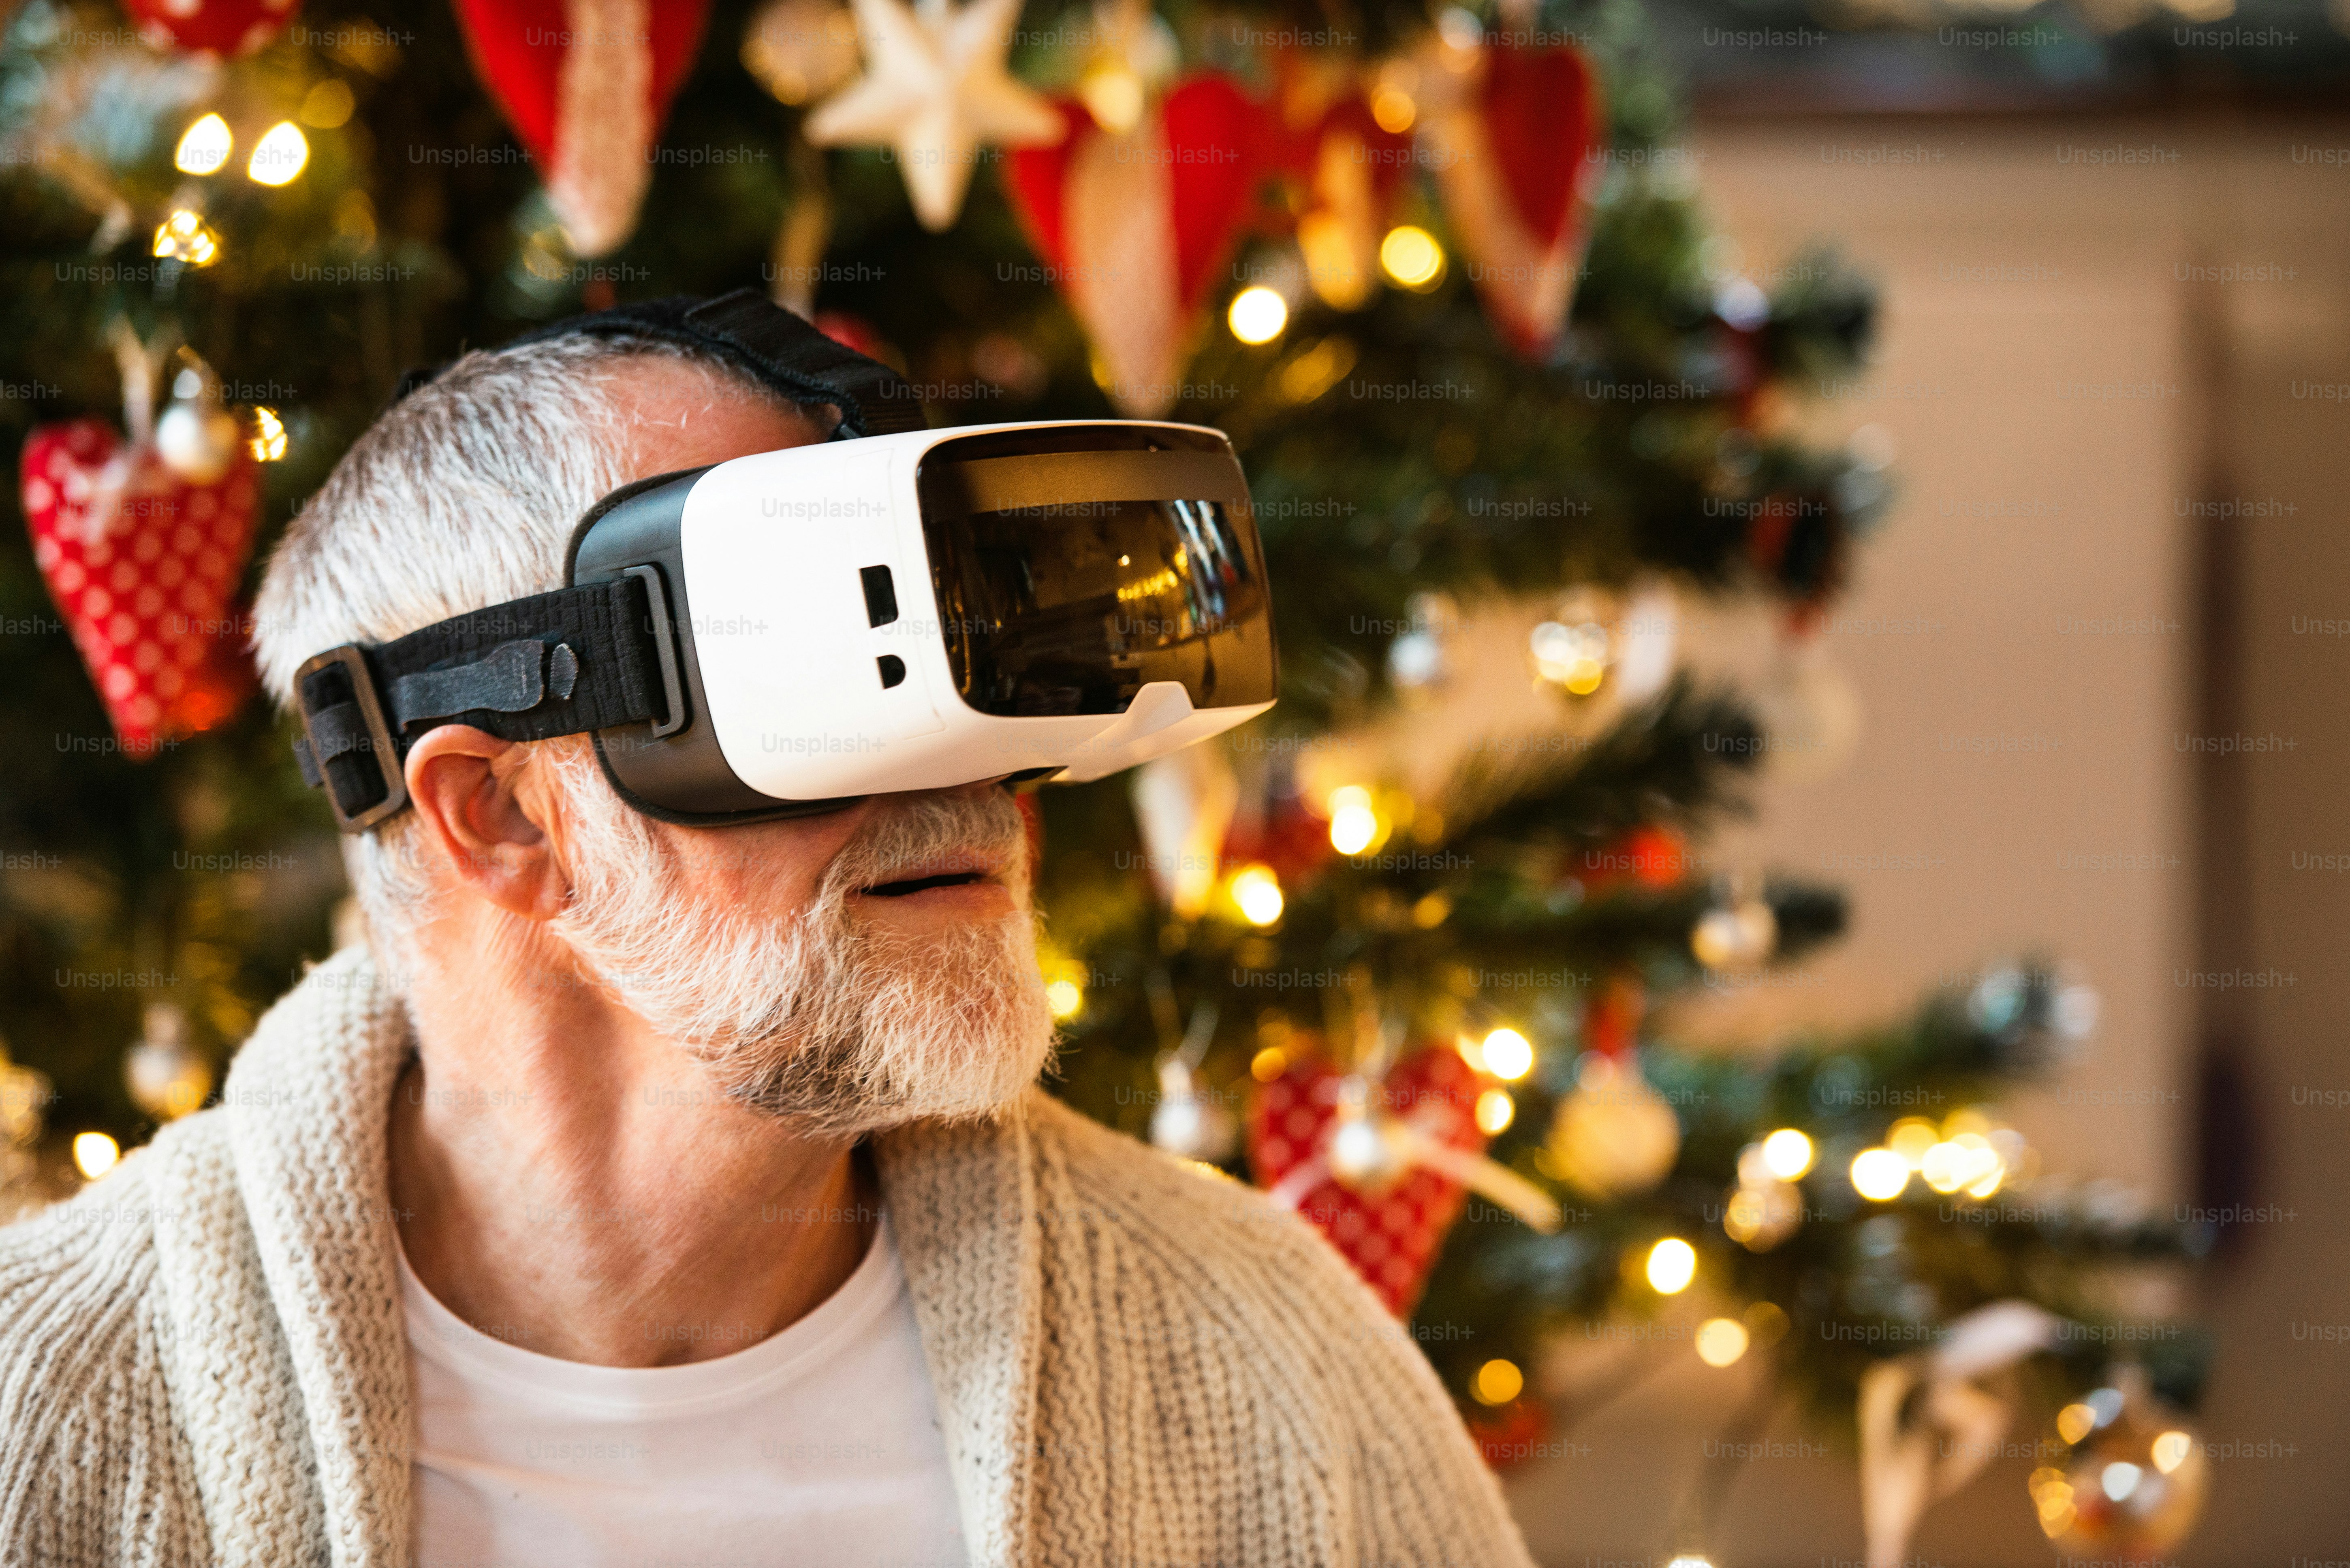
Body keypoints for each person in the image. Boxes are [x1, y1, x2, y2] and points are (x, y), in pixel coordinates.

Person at [0, 298, 1535, 1568]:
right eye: (834, 651)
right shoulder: (46, 1415)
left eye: (963, 633)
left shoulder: (1263, 1352)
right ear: (501, 816)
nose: (966, 770)